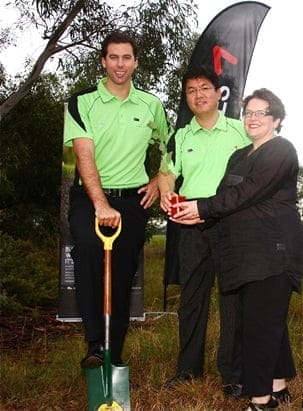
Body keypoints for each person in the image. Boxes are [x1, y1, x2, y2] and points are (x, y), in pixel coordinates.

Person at [171, 88, 303, 410]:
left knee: (258, 327)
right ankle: (279, 387)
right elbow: (224, 200)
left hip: (274, 252)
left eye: (261, 113)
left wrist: (202, 208)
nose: (253, 118)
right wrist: (194, 216)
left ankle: (261, 401)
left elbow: (247, 193)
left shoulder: (281, 151)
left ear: (277, 119)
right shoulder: (239, 155)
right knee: (266, 321)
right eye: (248, 112)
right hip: (246, 254)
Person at [63, 30, 170, 368]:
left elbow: (171, 148)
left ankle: (115, 354)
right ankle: (95, 345)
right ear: (103, 61)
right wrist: (100, 204)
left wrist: (158, 179)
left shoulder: (151, 104)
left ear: (136, 62)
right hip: (89, 198)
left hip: (132, 203)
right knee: (90, 255)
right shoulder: (81, 102)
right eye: (113, 57)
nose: (120, 64)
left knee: (122, 278)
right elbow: (83, 155)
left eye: (127, 57)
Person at [158, 66, 250, 395]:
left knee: (232, 300)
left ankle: (233, 374)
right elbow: (167, 172)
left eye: (204, 88)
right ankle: (187, 370)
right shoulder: (181, 136)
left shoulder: (240, 131)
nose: (198, 95)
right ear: (187, 97)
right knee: (192, 299)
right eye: (191, 90)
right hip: (190, 222)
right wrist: (166, 190)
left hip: (231, 221)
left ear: (218, 93)